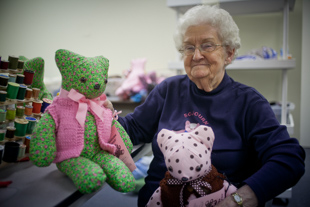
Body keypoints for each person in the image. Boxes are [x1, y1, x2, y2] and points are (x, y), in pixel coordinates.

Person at [111, 5, 305, 207]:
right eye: (188, 47)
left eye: (207, 45)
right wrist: (100, 117)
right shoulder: (168, 90)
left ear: (229, 54)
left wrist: (238, 200)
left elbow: (289, 157)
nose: (196, 56)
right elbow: (132, 128)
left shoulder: (249, 103)